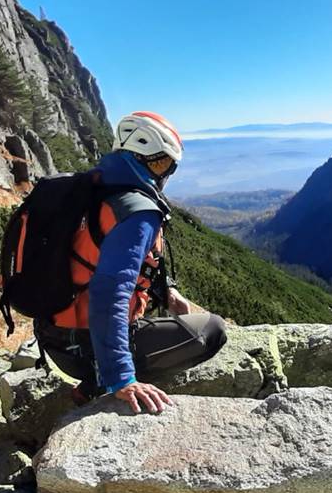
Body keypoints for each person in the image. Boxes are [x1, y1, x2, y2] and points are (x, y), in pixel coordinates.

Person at [37, 111, 228, 414]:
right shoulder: (137, 212)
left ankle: (95, 378)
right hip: (84, 349)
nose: (163, 174)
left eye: (166, 165)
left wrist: (168, 292)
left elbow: (94, 255)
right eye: (160, 163)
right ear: (143, 161)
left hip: (53, 334)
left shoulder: (92, 185)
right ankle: (97, 383)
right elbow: (109, 292)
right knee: (213, 330)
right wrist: (121, 378)